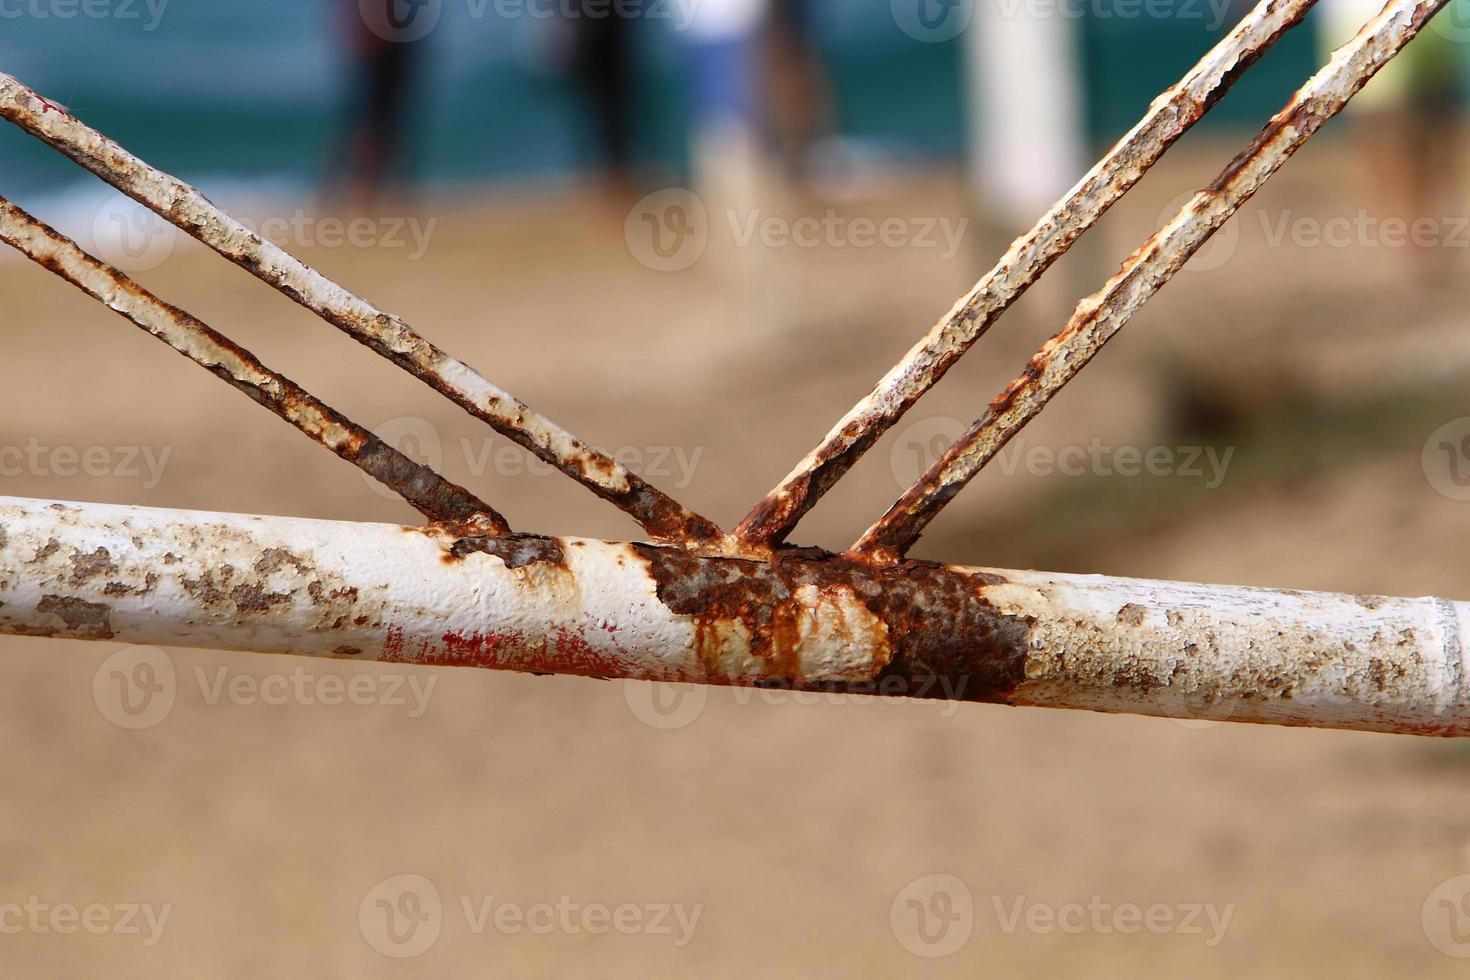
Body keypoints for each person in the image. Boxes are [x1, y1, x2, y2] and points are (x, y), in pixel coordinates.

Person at [327, 0, 429, 208]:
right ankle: (358, 193)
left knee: (384, 122)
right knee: (369, 123)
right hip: (378, 44)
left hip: (392, 42)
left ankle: (380, 193)